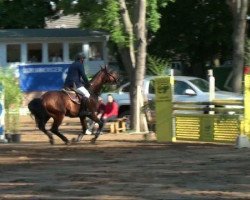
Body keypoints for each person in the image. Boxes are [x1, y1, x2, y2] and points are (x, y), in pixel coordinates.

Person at [64, 52, 91, 117]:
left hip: (67, 84)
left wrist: (83, 82)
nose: (83, 60)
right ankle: (83, 111)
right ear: (81, 59)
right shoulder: (79, 65)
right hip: (75, 84)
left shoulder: (72, 64)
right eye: (83, 59)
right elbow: (83, 75)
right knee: (87, 94)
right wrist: (87, 83)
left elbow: (76, 76)